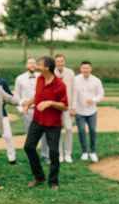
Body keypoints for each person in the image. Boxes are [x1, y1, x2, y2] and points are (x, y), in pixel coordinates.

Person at [22, 56, 67, 190]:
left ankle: (53, 181)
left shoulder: (60, 85)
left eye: (39, 64)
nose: (36, 66)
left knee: (54, 152)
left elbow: (64, 105)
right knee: (28, 147)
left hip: (53, 123)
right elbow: (38, 95)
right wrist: (28, 102)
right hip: (37, 120)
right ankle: (39, 176)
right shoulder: (40, 79)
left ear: (47, 68)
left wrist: (50, 103)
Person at [14, 57, 47, 162]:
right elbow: (17, 95)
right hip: (28, 110)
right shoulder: (20, 78)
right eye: (30, 63)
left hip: (41, 110)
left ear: (36, 65)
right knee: (30, 134)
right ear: (26, 65)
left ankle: (45, 155)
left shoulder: (42, 77)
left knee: (45, 133)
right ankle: (32, 157)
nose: (32, 65)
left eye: (34, 63)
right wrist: (21, 109)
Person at [73, 61, 104, 162]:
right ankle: (84, 152)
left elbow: (101, 94)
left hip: (92, 111)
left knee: (92, 131)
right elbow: (72, 93)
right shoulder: (75, 80)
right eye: (84, 68)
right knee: (81, 131)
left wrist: (94, 100)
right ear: (80, 69)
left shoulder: (96, 80)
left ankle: (93, 152)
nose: (86, 70)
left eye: (87, 68)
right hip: (79, 110)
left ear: (91, 69)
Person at [54, 54, 75, 163]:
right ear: (55, 62)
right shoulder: (51, 73)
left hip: (67, 106)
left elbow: (74, 91)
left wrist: (73, 107)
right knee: (57, 130)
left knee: (68, 129)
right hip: (55, 107)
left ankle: (68, 153)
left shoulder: (70, 73)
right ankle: (60, 154)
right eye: (58, 61)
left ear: (64, 62)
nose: (60, 64)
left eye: (62, 61)